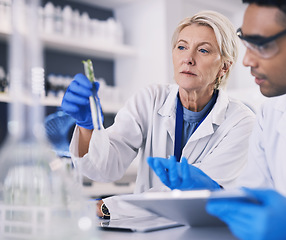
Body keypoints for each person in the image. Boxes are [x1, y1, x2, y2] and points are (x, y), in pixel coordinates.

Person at [148, 0, 286, 239]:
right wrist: (213, 192)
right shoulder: (270, 115)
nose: (247, 61)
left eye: (262, 45)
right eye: (246, 42)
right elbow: (256, 200)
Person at [61, 10, 255, 217]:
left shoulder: (241, 122)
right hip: (148, 230)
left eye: (203, 51)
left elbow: (191, 197)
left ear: (224, 67)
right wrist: (87, 127)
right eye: (181, 47)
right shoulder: (150, 99)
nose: (188, 58)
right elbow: (103, 169)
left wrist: (110, 207)